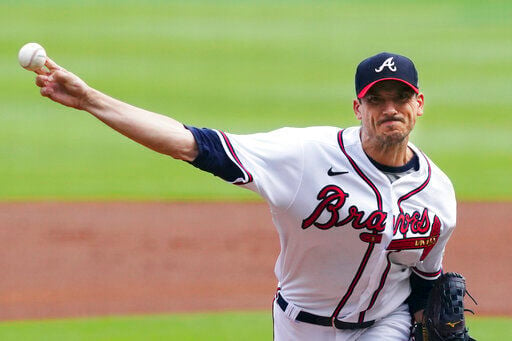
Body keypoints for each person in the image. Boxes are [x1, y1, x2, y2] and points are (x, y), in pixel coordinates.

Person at [33, 52, 456, 340]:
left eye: (400, 98)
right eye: (376, 100)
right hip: (299, 326)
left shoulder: (436, 193)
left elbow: (424, 279)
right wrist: (90, 100)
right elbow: (191, 144)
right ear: (357, 107)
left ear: (418, 104)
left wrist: (424, 316)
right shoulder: (304, 154)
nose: (389, 109)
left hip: (384, 324)